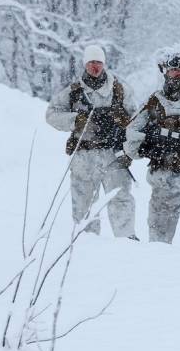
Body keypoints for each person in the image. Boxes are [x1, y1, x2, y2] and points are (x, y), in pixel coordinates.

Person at [125, 47, 180, 253]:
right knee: (159, 241)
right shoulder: (153, 103)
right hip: (165, 177)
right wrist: (151, 147)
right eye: (174, 69)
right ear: (164, 70)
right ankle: (161, 280)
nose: (179, 72)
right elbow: (132, 134)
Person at [45, 44, 137, 238]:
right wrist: (75, 120)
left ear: (104, 64)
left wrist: (121, 120)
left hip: (114, 153)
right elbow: (51, 114)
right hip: (84, 154)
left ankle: (127, 241)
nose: (95, 66)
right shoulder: (74, 91)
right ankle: (86, 241)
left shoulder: (119, 89)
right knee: (83, 202)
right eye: (91, 62)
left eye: (98, 62)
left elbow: (136, 117)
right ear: (85, 64)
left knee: (121, 199)